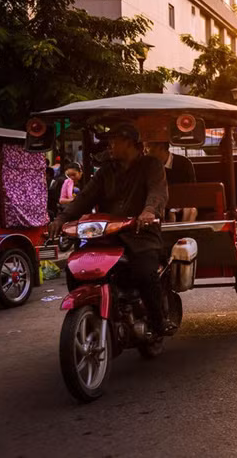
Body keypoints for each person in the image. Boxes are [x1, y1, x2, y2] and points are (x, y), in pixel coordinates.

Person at [49, 124, 173, 336]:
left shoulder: (151, 165)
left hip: (140, 234)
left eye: (115, 140)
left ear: (130, 143)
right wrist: (61, 218)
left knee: (144, 272)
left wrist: (149, 211)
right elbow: (85, 198)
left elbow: (157, 192)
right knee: (76, 268)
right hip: (107, 236)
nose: (110, 145)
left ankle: (158, 321)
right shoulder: (106, 170)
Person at [144, 141, 197, 222]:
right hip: (157, 205)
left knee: (190, 210)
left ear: (161, 147)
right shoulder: (148, 165)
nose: (146, 153)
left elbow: (191, 191)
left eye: (149, 148)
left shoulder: (184, 164)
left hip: (181, 205)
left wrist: (175, 209)